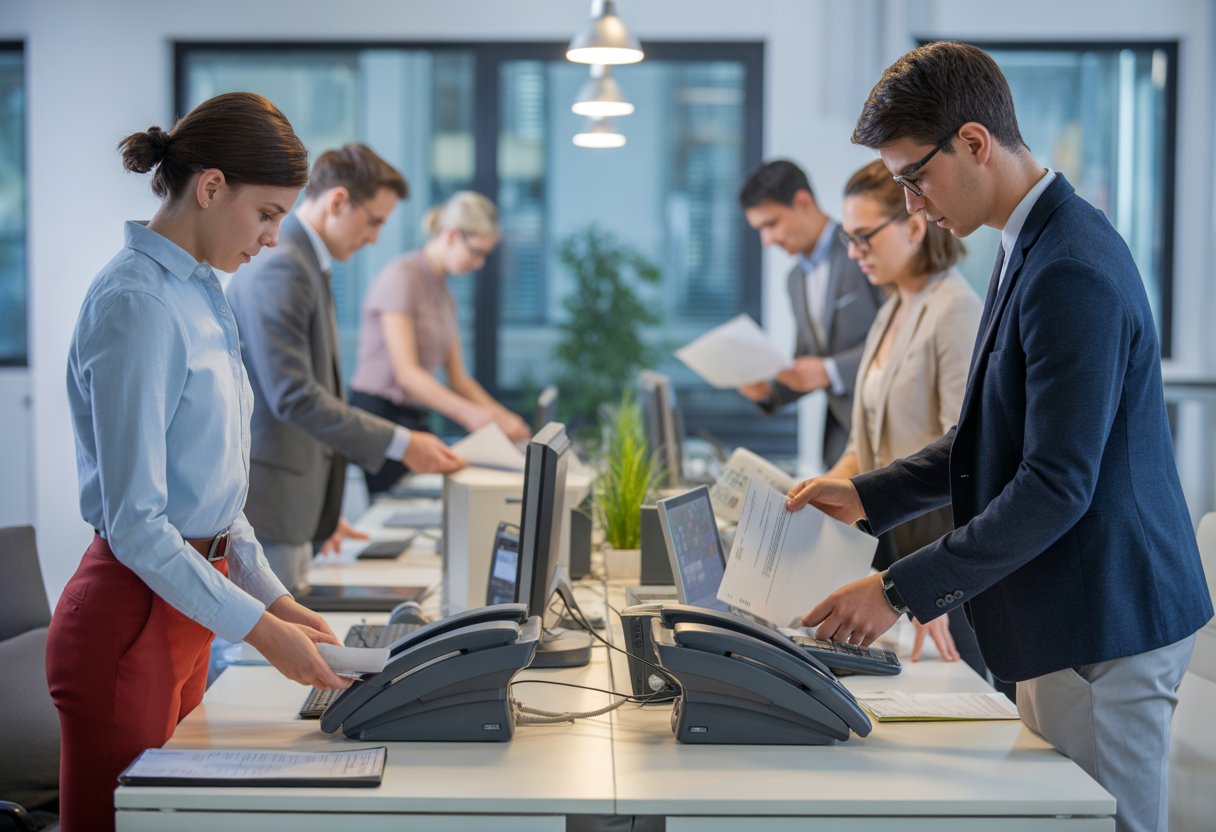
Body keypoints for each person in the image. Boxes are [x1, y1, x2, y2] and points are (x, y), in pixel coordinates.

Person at [789, 42, 1212, 832]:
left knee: (1100, 826)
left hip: (1105, 617)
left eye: (915, 177)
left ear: (975, 143)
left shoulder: (1069, 268)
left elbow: (1056, 483)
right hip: (1073, 610)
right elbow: (986, 436)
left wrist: (894, 592)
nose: (914, 206)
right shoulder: (1030, 244)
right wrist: (865, 494)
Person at [48, 93, 352, 832]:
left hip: (185, 608)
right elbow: (140, 526)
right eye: (268, 214)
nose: (274, 238)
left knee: (178, 821)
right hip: (131, 615)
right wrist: (259, 631)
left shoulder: (199, 294)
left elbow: (216, 497)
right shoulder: (137, 304)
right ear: (212, 188)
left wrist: (275, 602)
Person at [226, 144, 465, 593]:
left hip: (296, 507)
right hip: (271, 508)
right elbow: (294, 396)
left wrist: (323, 508)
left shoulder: (305, 263)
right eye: (373, 221)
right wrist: (402, 443)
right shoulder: (284, 266)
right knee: (261, 657)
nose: (374, 237)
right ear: (338, 201)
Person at [829, 159, 995, 684]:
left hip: (944, 566)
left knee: (961, 707)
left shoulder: (954, 311)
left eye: (864, 238)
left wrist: (928, 584)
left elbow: (965, 460)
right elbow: (865, 445)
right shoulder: (893, 308)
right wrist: (805, 500)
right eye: (848, 240)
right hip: (896, 560)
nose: (854, 254)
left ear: (915, 225)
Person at [349, 190, 530, 496]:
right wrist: (470, 415)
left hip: (415, 416)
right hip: (380, 415)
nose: (479, 263)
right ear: (451, 235)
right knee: (393, 508)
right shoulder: (402, 277)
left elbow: (458, 377)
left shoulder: (445, 293)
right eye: (476, 252)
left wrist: (501, 416)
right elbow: (407, 374)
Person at [737, 160, 884, 468]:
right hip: (842, 442)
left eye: (771, 224)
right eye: (759, 230)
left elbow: (903, 338)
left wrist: (830, 370)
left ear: (803, 202)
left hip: (888, 428)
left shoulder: (865, 248)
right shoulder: (795, 280)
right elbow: (807, 358)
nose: (767, 241)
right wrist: (771, 389)